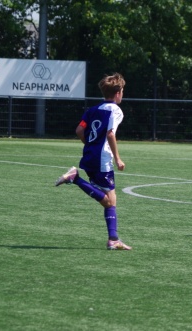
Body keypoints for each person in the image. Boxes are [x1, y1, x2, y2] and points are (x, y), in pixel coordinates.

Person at [55, 73, 131, 250]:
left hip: (89, 154)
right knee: (109, 201)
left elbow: (79, 131)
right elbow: (110, 134)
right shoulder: (116, 110)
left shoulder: (93, 110)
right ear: (118, 92)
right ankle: (75, 179)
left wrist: (91, 144)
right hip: (102, 159)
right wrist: (118, 159)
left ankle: (113, 239)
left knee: (111, 199)